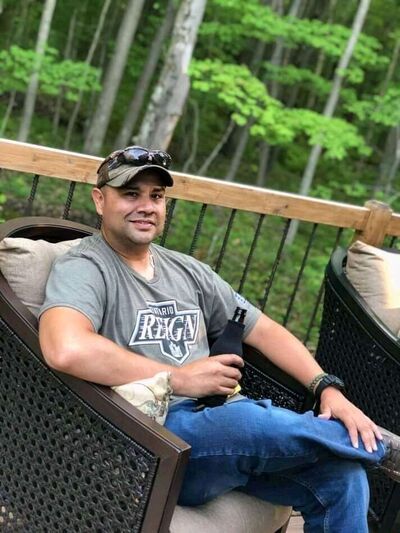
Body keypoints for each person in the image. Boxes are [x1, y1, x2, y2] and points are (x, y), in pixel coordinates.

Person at [39, 145, 400, 533]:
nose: (146, 206)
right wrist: (178, 378)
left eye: (156, 196)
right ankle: (378, 447)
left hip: (221, 433)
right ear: (99, 199)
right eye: (131, 194)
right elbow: (66, 348)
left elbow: (265, 330)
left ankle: (358, 444)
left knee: (343, 478)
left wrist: (327, 388)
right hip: (152, 436)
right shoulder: (85, 267)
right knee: (245, 420)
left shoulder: (187, 271)